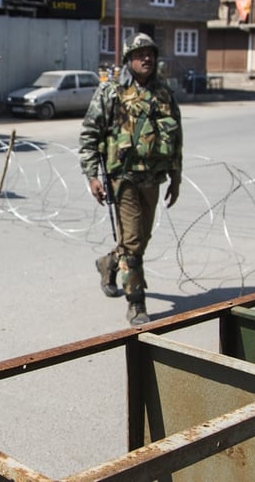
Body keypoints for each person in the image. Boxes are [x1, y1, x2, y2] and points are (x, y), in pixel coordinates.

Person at [79, 33, 183, 326]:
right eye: (140, 54)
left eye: (150, 53)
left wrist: (176, 177)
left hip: (153, 178)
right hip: (122, 178)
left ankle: (109, 262)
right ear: (128, 60)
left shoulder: (164, 93)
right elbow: (89, 134)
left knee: (138, 240)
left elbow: (177, 138)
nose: (146, 58)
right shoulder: (111, 91)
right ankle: (136, 304)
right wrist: (92, 176)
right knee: (134, 242)